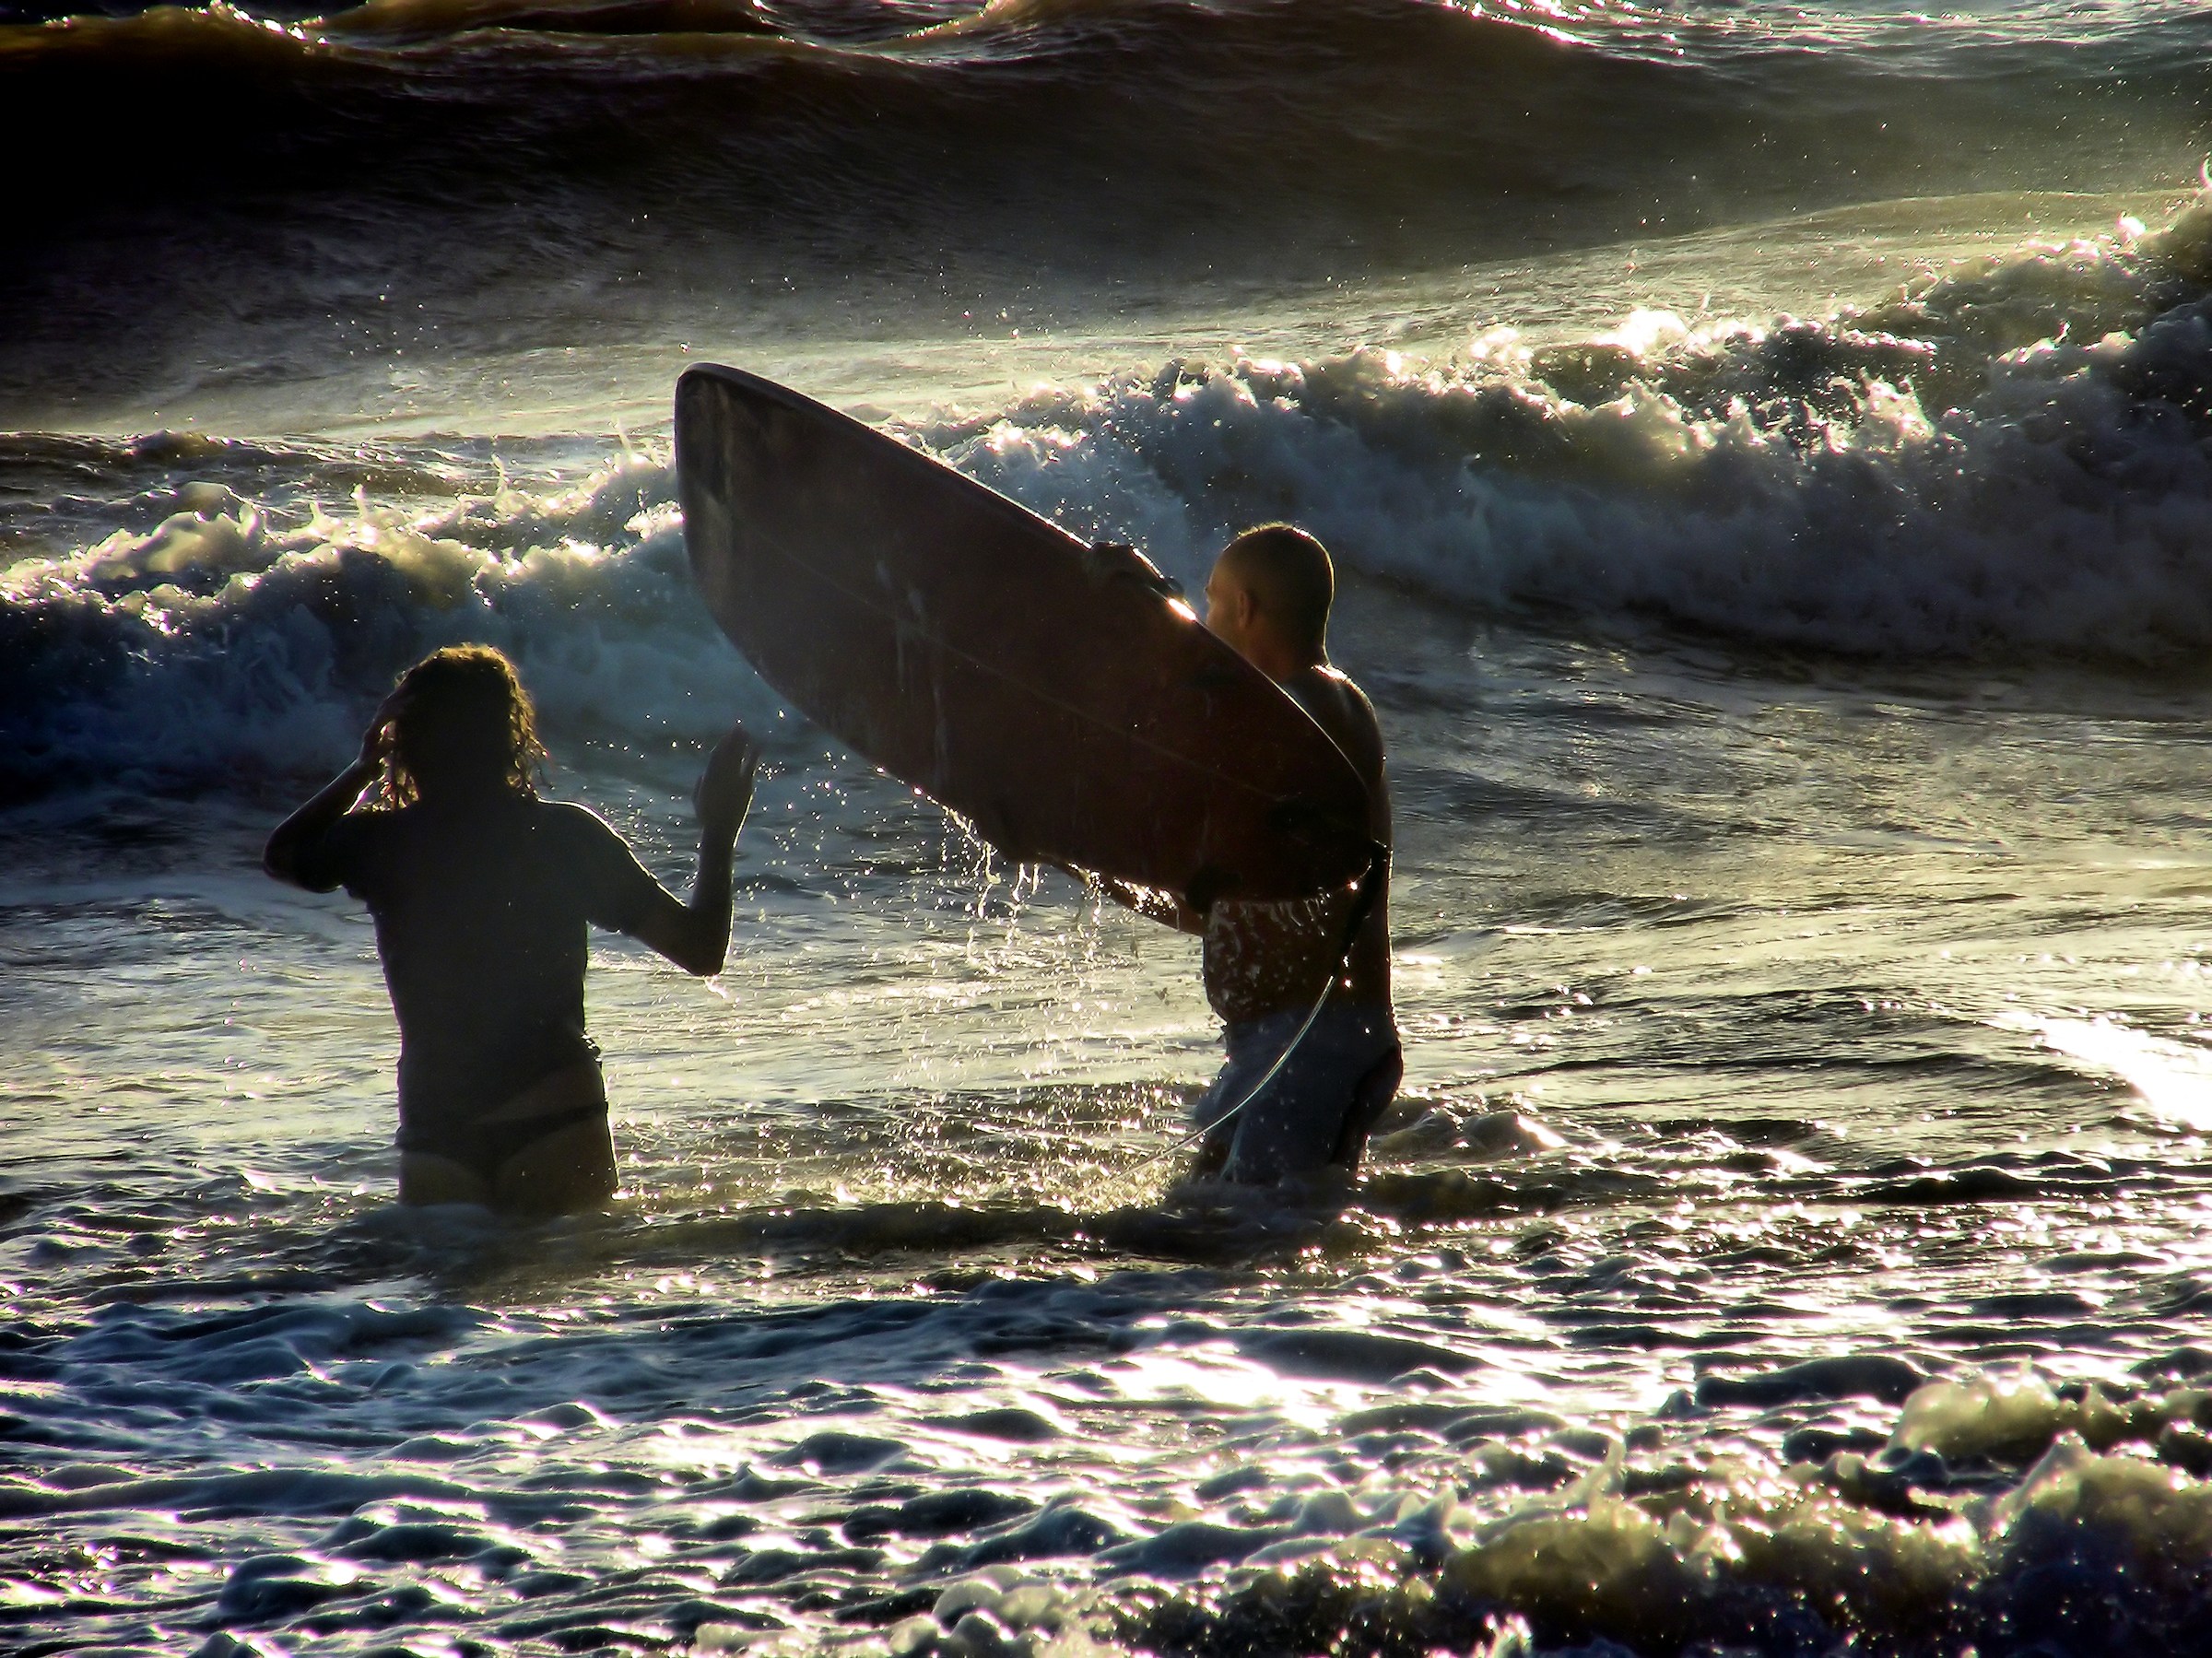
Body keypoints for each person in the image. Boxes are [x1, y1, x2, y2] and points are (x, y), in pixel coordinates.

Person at [264, 645, 759, 1217]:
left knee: (442, 1300)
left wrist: (364, 767)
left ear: (406, 739)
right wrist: (719, 832)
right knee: (565, 1293)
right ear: (511, 736)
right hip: (551, 1111)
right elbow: (700, 950)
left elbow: (284, 856)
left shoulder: (382, 842)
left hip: (437, 1127)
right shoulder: (562, 839)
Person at [1100, 524, 1399, 1184]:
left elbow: (1209, 725)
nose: (1206, 619)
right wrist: (1091, 868)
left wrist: (1146, 614)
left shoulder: (1323, 705)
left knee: (1260, 1237)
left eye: (1210, 602)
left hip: (1320, 1038)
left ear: (1244, 608)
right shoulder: (1282, 724)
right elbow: (1218, 901)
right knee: (1206, 1215)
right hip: (1271, 1047)